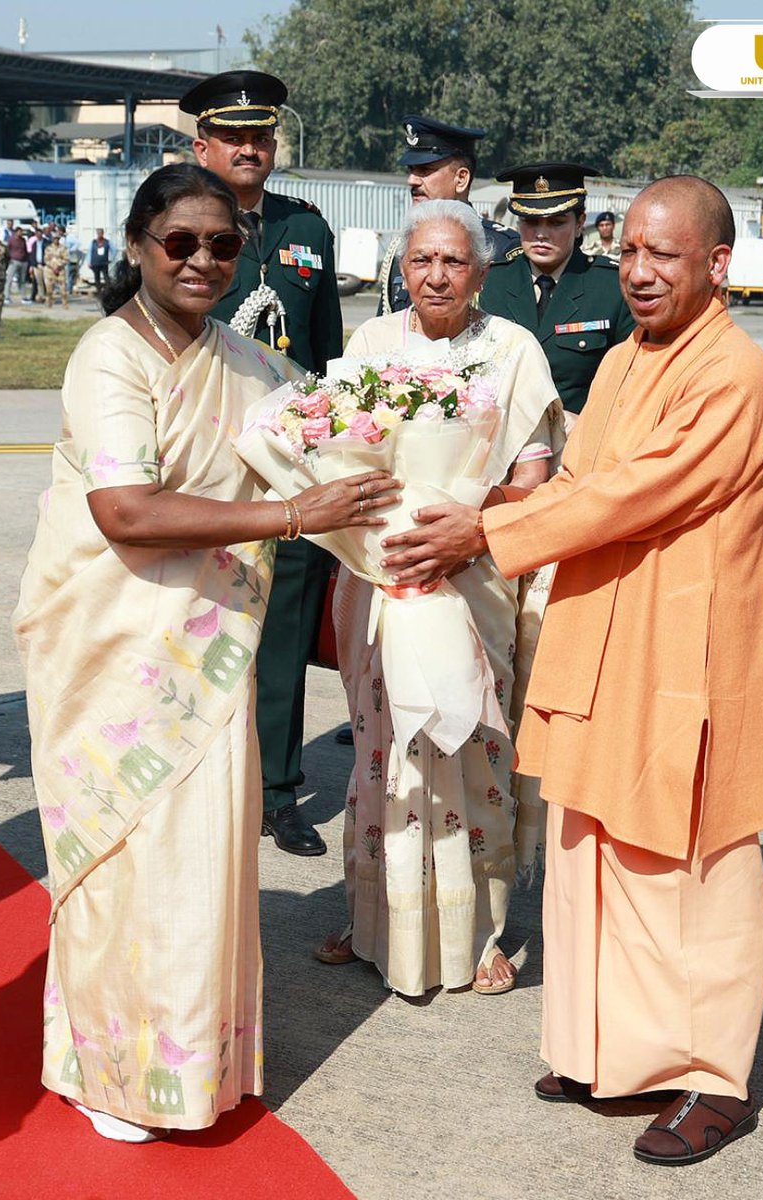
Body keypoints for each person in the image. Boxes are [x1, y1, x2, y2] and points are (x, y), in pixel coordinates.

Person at [379, 176, 763, 1164]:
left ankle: (711, 1076)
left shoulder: (734, 374)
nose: (641, 274)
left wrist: (486, 530)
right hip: (601, 642)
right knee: (589, 863)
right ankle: (610, 1053)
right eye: (632, 254)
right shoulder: (618, 365)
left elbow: (635, 495)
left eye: (667, 256)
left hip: (684, 656)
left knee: (690, 875)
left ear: (718, 266)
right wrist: (476, 505)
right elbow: (578, 481)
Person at [11, 163, 400, 1144]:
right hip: (112, 649)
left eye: (222, 244)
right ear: (142, 245)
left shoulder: (249, 362)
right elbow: (126, 510)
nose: (202, 260)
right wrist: (289, 514)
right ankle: (110, 1072)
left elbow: (334, 451)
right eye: (180, 241)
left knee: (198, 867)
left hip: (211, 654)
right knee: (124, 861)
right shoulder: (112, 356)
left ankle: (193, 1064)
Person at [316, 199, 564, 997]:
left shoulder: (513, 349)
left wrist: (468, 529)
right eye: (421, 259)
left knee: (470, 747)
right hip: (380, 573)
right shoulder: (370, 343)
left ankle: (478, 930)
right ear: (401, 267)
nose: (436, 275)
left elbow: (533, 477)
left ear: (482, 273)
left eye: (454, 262)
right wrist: (385, 537)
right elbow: (337, 458)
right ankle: (371, 918)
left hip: (475, 576)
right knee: (383, 756)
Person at [180, 69, 344, 856]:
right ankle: (197, 779)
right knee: (199, 627)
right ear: (201, 142)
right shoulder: (175, 222)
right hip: (206, 464)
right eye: (234, 135)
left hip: (290, 465)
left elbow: (329, 355)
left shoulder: (307, 227)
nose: (251, 148)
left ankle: (277, 792)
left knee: (283, 632)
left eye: (262, 135)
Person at [479, 163, 635, 416]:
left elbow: (631, 382)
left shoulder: (611, 288)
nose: (541, 234)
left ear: (580, 223)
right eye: (531, 221)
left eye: (556, 222)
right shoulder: (490, 283)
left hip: (579, 442)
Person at [377, 114, 520, 315]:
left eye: (425, 170)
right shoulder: (403, 247)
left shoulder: (501, 249)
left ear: (461, 179)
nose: (412, 180)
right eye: (411, 170)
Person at [3, 226, 29, 303]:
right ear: (16, 232)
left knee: (22, 280)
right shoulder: (11, 240)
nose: (21, 233)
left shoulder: (23, 240)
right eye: (20, 232)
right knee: (9, 279)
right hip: (13, 261)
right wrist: (9, 259)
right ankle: (6, 297)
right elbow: (7, 250)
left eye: (22, 232)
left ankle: (23, 297)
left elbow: (25, 250)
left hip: (23, 261)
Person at [44, 233, 69, 308]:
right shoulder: (48, 248)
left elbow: (66, 259)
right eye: (54, 238)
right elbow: (46, 259)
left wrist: (59, 266)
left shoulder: (63, 248)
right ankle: (49, 303)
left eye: (57, 238)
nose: (56, 240)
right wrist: (52, 267)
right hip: (50, 270)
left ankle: (65, 304)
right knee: (49, 289)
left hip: (60, 270)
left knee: (63, 289)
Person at [89, 228, 112, 293]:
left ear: (103, 233)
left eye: (100, 233)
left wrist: (111, 258)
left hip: (104, 263)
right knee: (97, 277)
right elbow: (90, 252)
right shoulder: (93, 242)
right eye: (98, 233)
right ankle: (98, 290)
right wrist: (89, 262)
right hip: (95, 263)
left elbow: (114, 250)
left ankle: (109, 290)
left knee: (106, 277)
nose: (99, 234)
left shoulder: (107, 242)